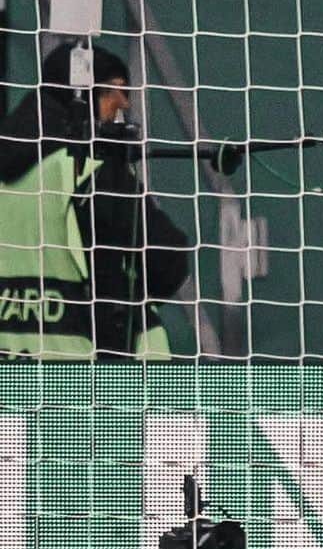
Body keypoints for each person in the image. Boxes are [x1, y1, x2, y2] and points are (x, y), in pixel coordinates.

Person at [0, 42, 189, 359]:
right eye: (108, 92)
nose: (123, 103)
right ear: (77, 99)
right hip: (92, 371)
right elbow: (167, 262)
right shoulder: (89, 169)